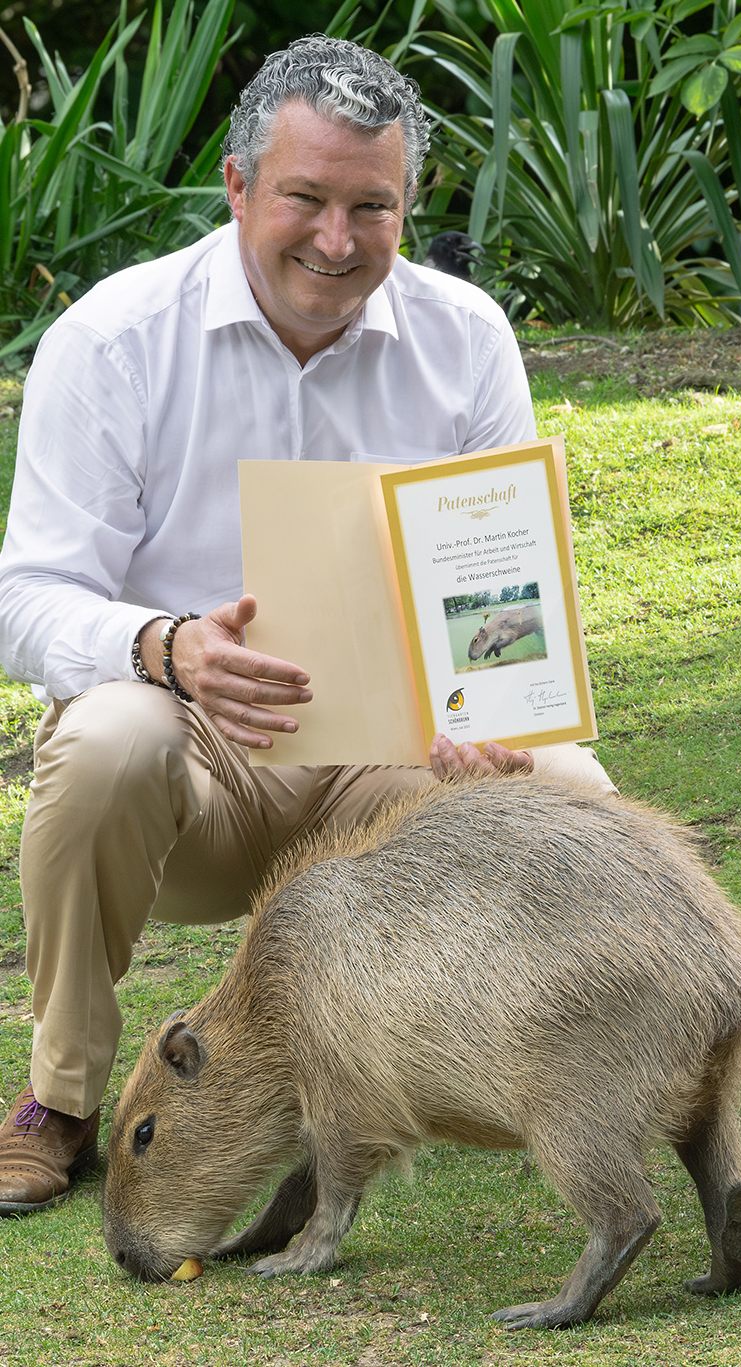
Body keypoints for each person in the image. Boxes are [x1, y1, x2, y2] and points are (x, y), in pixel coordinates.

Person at [0, 35, 613, 1216]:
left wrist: (492, 716)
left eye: (371, 207)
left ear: (408, 203)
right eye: (306, 199)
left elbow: (504, 585)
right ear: (237, 186)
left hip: (392, 754)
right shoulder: (115, 338)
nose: (337, 241)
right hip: (192, 763)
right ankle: (62, 1094)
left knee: (573, 794)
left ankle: (515, 1078)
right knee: (109, 739)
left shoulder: (465, 335)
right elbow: (25, 597)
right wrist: (167, 647)